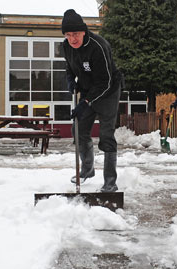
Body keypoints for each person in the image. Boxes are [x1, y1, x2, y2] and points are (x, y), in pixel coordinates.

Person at [62, 9, 123, 192]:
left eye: (75, 34)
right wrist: (71, 81)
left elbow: (104, 82)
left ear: (83, 31)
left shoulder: (98, 46)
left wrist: (85, 102)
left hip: (109, 91)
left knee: (106, 136)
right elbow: (69, 68)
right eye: (68, 35)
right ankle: (87, 170)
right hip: (89, 90)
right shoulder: (65, 47)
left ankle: (110, 181)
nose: (72, 39)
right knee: (78, 129)